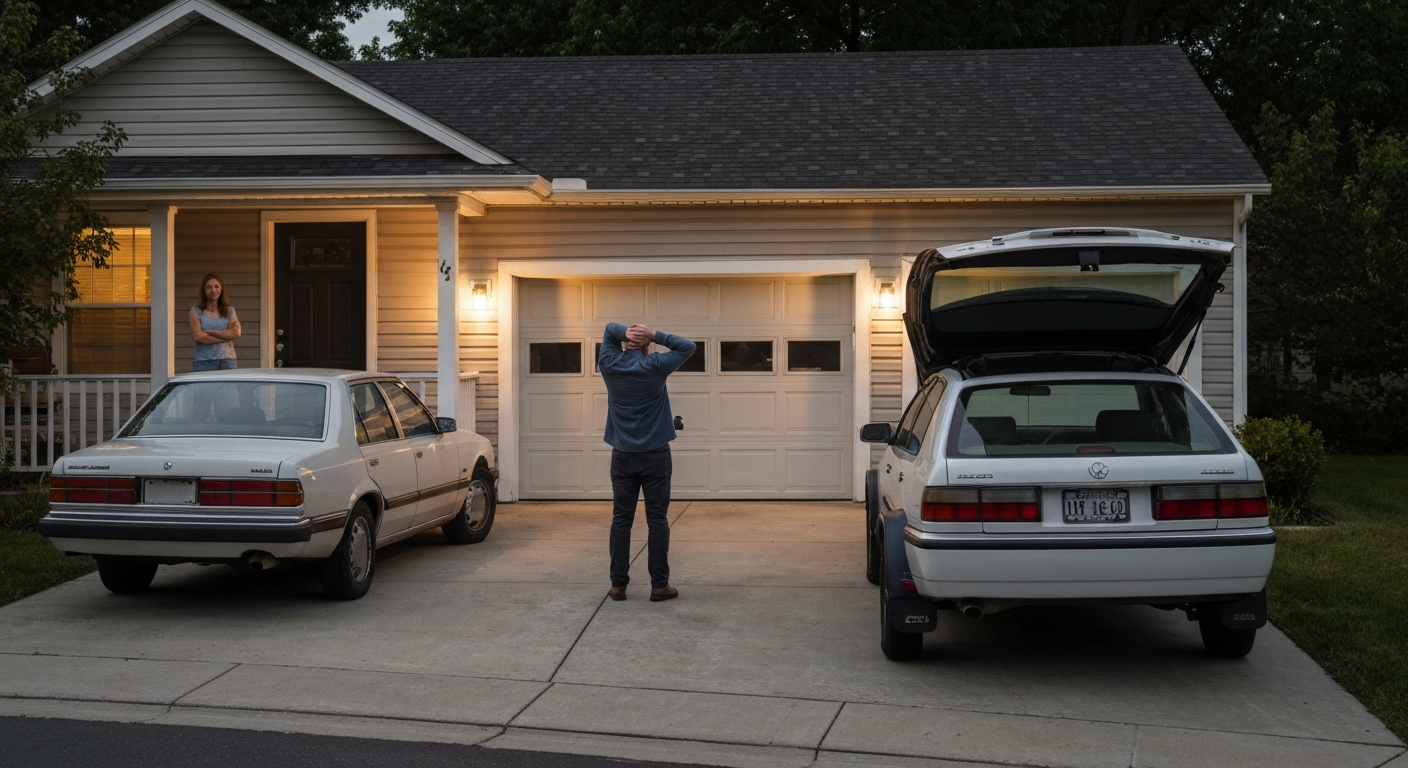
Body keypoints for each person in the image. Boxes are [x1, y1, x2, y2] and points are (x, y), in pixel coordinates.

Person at [599, 322, 696, 602]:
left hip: (622, 454)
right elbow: (687, 346)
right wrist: (654, 334)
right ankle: (659, 586)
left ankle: (618, 586)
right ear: (647, 347)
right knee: (657, 519)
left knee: (621, 519)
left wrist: (627, 332)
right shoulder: (655, 365)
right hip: (655, 453)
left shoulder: (609, 364)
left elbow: (609, 329)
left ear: (625, 343)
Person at [189, 273, 241, 372]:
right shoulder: (196, 311)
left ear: (221, 289)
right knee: (205, 388)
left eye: (216, 286)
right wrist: (225, 336)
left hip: (227, 361)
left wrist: (212, 332)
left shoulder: (229, 311)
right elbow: (198, 336)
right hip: (203, 362)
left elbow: (236, 332)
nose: (213, 290)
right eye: (209, 287)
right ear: (204, 290)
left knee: (228, 388)